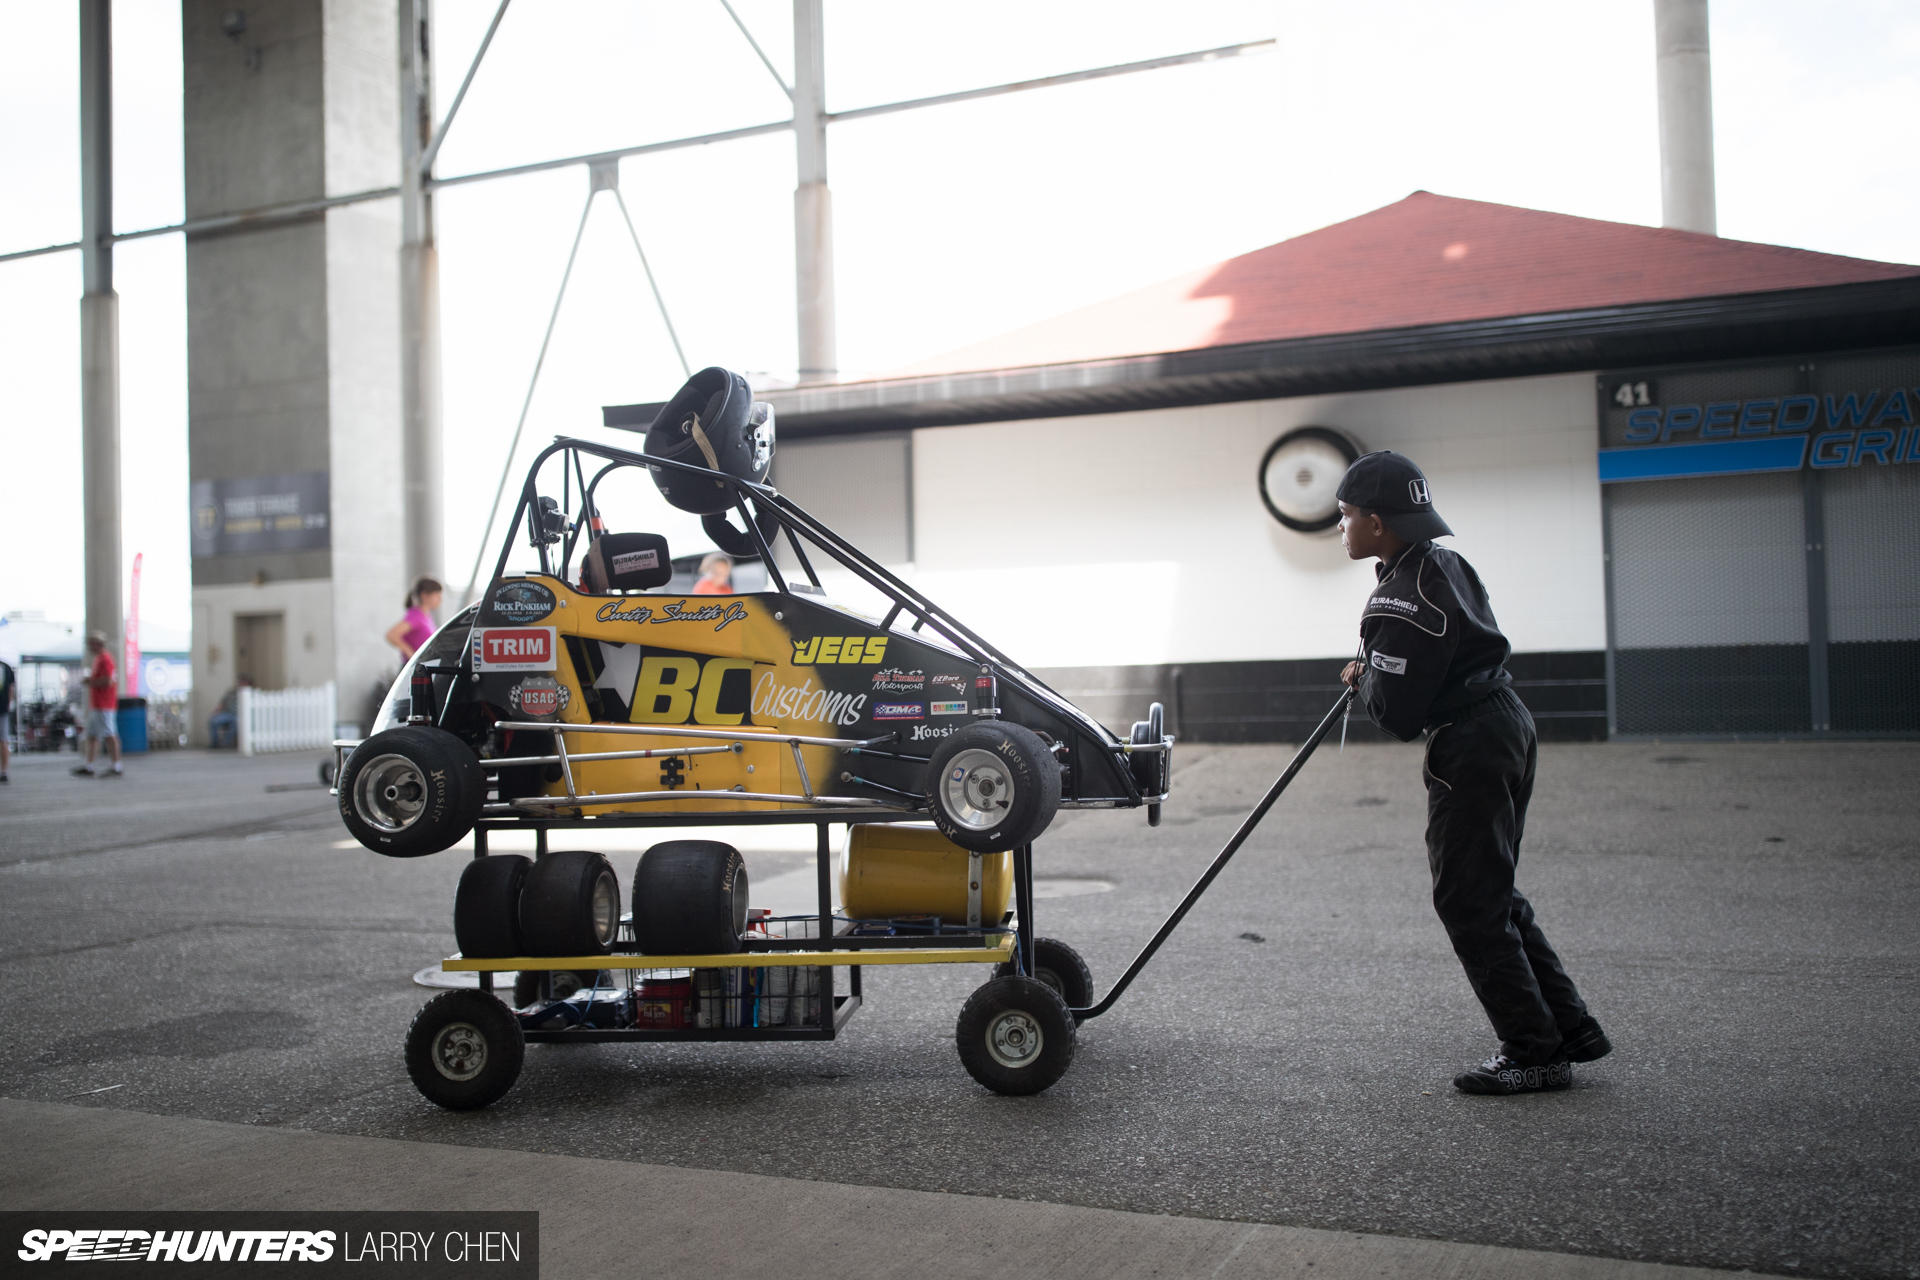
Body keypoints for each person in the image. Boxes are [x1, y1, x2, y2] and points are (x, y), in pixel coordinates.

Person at [1333, 450, 1607, 1095]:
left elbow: (1398, 717)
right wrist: (1376, 667)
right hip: (1507, 720)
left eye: (1344, 516)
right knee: (1493, 889)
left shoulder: (1398, 601)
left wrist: (1364, 676)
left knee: (1468, 900)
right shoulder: (1443, 562)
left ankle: (1533, 1049)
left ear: (1376, 522)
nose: (1340, 528)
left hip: (1471, 744)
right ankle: (1569, 1027)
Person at [74, 631, 122, 778]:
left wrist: (91, 682)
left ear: (98, 644)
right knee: (92, 735)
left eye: (92, 643)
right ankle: (89, 765)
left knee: (109, 734)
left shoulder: (105, 659)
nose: (90, 646)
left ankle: (116, 765)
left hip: (104, 704)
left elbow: (108, 681)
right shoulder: (99, 659)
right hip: (97, 704)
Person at [385, 576, 443, 659]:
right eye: (437, 594)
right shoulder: (416, 616)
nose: (440, 599)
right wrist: (412, 655)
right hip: (413, 668)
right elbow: (392, 635)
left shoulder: (426, 616)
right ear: (424, 595)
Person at [0, 655, 14, 783]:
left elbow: (10, 688)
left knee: (3, 740)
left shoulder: (6, 668)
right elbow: (11, 688)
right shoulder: (6, 667)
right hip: (3, 708)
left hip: (2, 709)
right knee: (3, 740)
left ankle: (4, 771)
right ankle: (3, 771)